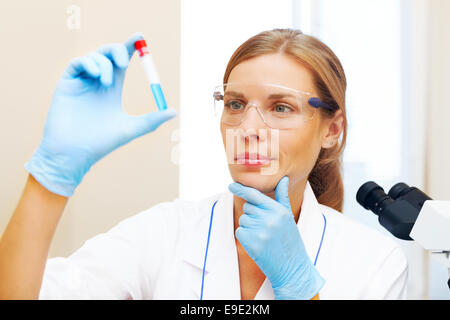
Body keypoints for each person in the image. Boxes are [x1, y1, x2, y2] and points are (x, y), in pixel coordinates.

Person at [0, 29, 408, 300]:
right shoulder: (165, 234)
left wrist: (301, 289)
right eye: (234, 104)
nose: (248, 127)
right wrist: (51, 176)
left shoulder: (374, 262)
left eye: (280, 107)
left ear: (331, 129)